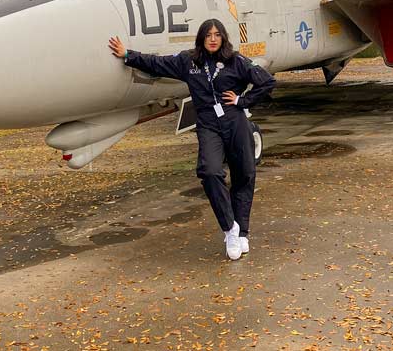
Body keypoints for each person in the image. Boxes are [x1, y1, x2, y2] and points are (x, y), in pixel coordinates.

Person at [108, 19, 276, 260]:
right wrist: (128, 55)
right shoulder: (189, 62)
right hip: (208, 125)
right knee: (209, 171)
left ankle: (243, 233)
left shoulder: (236, 61)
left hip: (236, 123)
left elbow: (267, 82)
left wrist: (243, 101)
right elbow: (157, 64)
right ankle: (230, 228)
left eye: (217, 34)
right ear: (201, 38)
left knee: (245, 175)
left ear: (223, 38)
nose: (213, 39)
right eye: (208, 35)